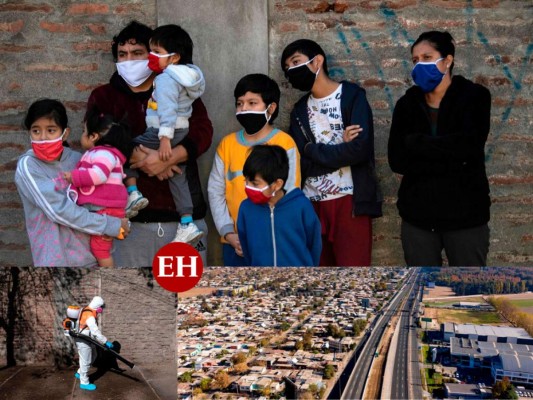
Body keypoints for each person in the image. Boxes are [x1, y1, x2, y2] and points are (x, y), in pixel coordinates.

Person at [86, 21, 213, 266]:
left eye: (137, 53)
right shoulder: (103, 96)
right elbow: (99, 140)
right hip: (130, 222)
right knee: (138, 300)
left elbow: (202, 130)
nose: (129, 60)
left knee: (188, 299)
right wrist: (146, 161)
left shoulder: (179, 88)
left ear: (154, 55)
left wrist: (173, 156)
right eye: (122, 55)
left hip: (183, 222)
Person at [388, 31, 491, 266]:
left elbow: (469, 147)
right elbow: (398, 160)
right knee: (422, 291)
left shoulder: (475, 97)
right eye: (415, 60)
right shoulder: (406, 105)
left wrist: (417, 143)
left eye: (427, 57)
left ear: (447, 60)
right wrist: (448, 151)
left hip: (466, 217)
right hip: (418, 219)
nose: (419, 64)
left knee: (469, 290)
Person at [281, 39, 382, 267]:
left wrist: (312, 149)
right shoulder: (299, 111)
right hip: (311, 203)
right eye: (287, 68)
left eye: (296, 62)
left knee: (355, 278)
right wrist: (339, 149)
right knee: (318, 279)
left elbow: (359, 151)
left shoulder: (352, 96)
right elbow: (301, 163)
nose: (291, 70)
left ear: (317, 61)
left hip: (350, 202)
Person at [14, 99, 130, 267]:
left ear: (65, 133)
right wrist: (110, 225)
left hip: (91, 259)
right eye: (36, 131)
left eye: (51, 130)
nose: (43, 137)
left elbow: (104, 198)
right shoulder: (28, 166)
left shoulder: (79, 160)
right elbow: (58, 211)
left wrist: (118, 219)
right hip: (55, 262)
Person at [208, 74, 301, 266]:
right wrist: (228, 233)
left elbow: (290, 191)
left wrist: (270, 232)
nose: (244, 109)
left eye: (252, 103)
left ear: (271, 108)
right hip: (235, 244)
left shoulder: (285, 143)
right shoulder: (227, 145)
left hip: (273, 241)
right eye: (240, 103)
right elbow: (215, 191)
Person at [124, 24, 205, 245]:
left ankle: (132, 192)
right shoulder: (186, 77)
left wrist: (164, 141)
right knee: (178, 177)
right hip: (181, 130)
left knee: (123, 151)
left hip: (164, 131)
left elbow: (167, 110)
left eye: (156, 52)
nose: (151, 57)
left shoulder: (166, 79)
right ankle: (187, 222)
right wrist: (166, 161)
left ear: (174, 57)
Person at [63, 108, 133, 267]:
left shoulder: (103, 154)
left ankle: (109, 274)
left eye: (84, 131)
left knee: (100, 249)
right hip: (104, 208)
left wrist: (75, 177)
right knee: (100, 243)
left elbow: (99, 175)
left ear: (93, 136)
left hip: (106, 209)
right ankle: (119, 231)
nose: (82, 135)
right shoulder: (100, 153)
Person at [237, 145, 321, 266]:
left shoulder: (301, 206)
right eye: (246, 181)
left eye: (255, 184)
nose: (248, 187)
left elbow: (314, 245)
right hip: (262, 281)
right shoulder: (246, 208)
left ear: (277, 184)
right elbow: (247, 249)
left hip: (297, 282)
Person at [73, 296, 114, 391]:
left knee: (94, 355)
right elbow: (95, 331)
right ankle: (84, 382)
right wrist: (105, 341)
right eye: (101, 307)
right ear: (98, 307)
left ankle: (79, 373)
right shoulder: (90, 315)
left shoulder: (85, 309)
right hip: (83, 340)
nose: (101, 310)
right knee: (86, 360)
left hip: (87, 338)